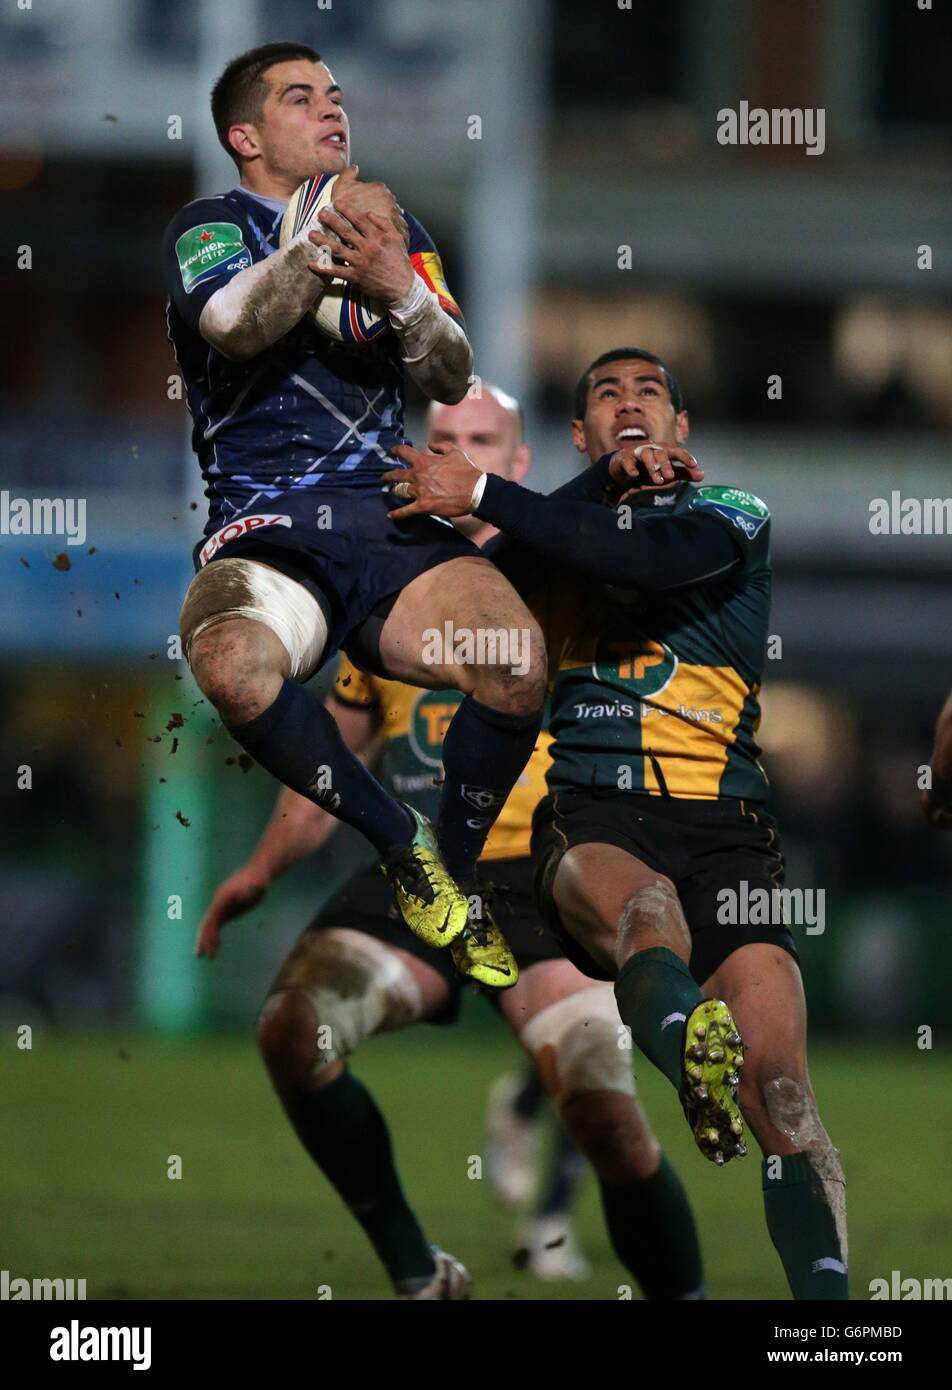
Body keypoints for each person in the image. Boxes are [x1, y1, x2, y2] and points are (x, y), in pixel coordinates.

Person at [197, 386, 704, 1300]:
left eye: (477, 442)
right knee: (291, 1031)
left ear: (513, 469)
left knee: (613, 1131)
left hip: (543, 884)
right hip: (425, 876)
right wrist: (259, 870)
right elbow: (330, 767)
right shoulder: (368, 588)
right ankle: (417, 1274)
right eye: (436, 441)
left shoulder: (563, 564)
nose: (448, 454)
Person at [383, 347, 849, 1300]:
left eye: (650, 394)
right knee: (644, 918)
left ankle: (833, 1327)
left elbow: (638, 557)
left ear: (681, 431)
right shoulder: (547, 542)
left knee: (788, 1097)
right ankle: (692, 1063)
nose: (630, 404)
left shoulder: (734, 515)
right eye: (607, 395)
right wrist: (454, 862)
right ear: (581, 435)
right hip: (596, 816)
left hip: (729, 830)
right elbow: (492, 621)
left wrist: (477, 485)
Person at [162, 42, 547, 986]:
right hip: (266, 527)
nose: (334, 111)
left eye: (337, 97)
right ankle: (399, 840)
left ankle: (449, 879)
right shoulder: (208, 225)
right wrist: (323, 241)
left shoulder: (395, 228)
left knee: (518, 663)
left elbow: (451, 371)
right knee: (228, 662)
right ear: (244, 136)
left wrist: (401, 291)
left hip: (387, 513)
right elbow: (233, 325)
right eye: (302, 99)